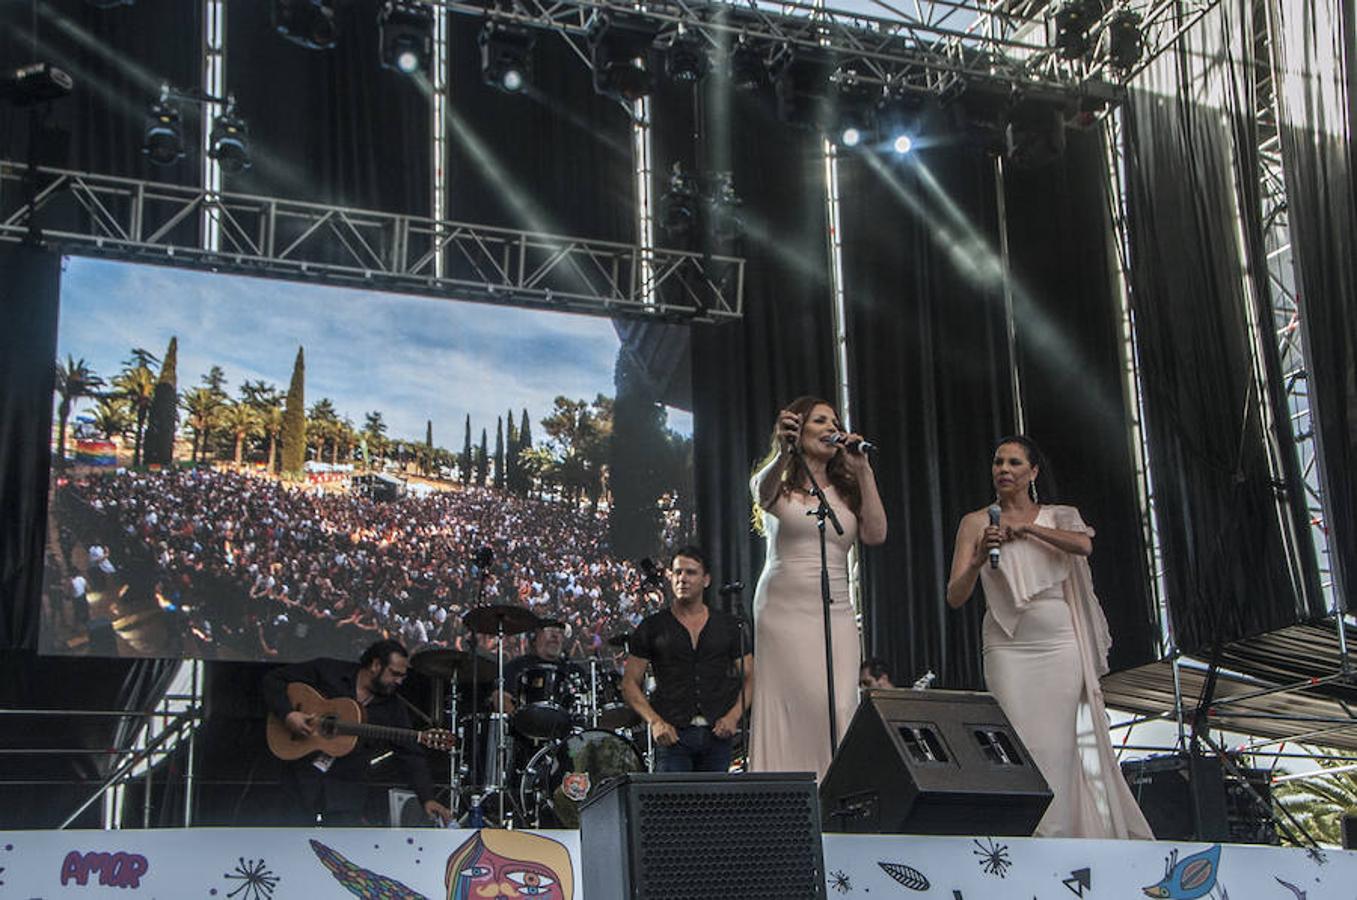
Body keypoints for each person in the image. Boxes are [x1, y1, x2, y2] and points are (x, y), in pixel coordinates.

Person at [945, 435, 1153, 840]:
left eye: (1014, 463)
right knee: (1020, 742)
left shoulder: (1058, 515)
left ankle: (1057, 837)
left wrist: (1028, 529)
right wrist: (975, 558)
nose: (1003, 469)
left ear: (1033, 472)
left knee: (1056, 747)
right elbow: (955, 595)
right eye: (998, 462)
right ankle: (1027, 834)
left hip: (1057, 645)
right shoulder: (975, 522)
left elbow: (1083, 544)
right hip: (1007, 645)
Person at [748, 397, 887, 779]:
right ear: (799, 428)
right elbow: (762, 494)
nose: (830, 426)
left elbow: (876, 534)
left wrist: (864, 471)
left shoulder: (846, 488)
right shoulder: (778, 482)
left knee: (839, 703)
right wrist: (783, 451)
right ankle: (785, 794)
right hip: (783, 607)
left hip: (836, 608)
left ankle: (836, 792)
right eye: (819, 419)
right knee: (791, 702)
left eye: (835, 421)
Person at [262, 638, 453, 826]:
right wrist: (288, 714)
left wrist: (427, 798)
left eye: (402, 676)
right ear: (376, 665)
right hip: (300, 781)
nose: (399, 681)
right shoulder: (328, 671)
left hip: (346, 791)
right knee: (291, 842)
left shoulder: (392, 707)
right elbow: (274, 679)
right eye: (395, 674)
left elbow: (410, 755)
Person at [621, 546, 754, 773]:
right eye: (678, 572)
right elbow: (629, 683)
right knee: (674, 805)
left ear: (706, 580)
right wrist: (655, 722)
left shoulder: (728, 626)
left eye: (691, 573)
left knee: (715, 803)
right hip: (673, 736)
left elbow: (751, 676)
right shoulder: (653, 627)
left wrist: (733, 717)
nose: (683, 578)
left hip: (718, 735)